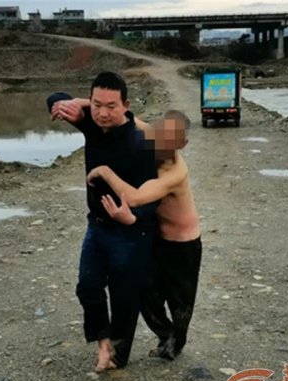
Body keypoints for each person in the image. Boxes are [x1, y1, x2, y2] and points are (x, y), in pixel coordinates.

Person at [47, 72, 159, 372]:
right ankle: (103, 344)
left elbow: (154, 195)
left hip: (130, 232)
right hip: (96, 226)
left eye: (111, 106)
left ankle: (118, 355)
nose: (103, 113)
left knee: (124, 297)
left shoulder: (141, 143)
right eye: (97, 105)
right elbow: (54, 98)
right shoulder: (92, 125)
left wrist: (133, 216)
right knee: (88, 287)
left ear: (126, 105)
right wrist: (72, 106)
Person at [86, 110, 202, 360]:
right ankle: (166, 334)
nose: (163, 142)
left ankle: (176, 343)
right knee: (144, 291)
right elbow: (121, 113)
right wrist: (78, 104)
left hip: (183, 244)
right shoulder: (151, 138)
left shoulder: (174, 172)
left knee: (180, 301)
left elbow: (136, 198)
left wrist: (105, 171)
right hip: (155, 237)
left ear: (182, 144)